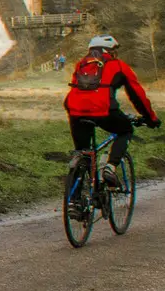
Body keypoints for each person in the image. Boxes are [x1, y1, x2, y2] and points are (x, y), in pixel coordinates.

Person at [64, 34, 159, 188]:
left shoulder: (80, 64)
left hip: (75, 112)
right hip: (104, 111)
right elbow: (137, 95)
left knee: (82, 153)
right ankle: (110, 167)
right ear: (110, 51)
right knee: (125, 130)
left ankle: (75, 202)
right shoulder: (118, 66)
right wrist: (150, 118)